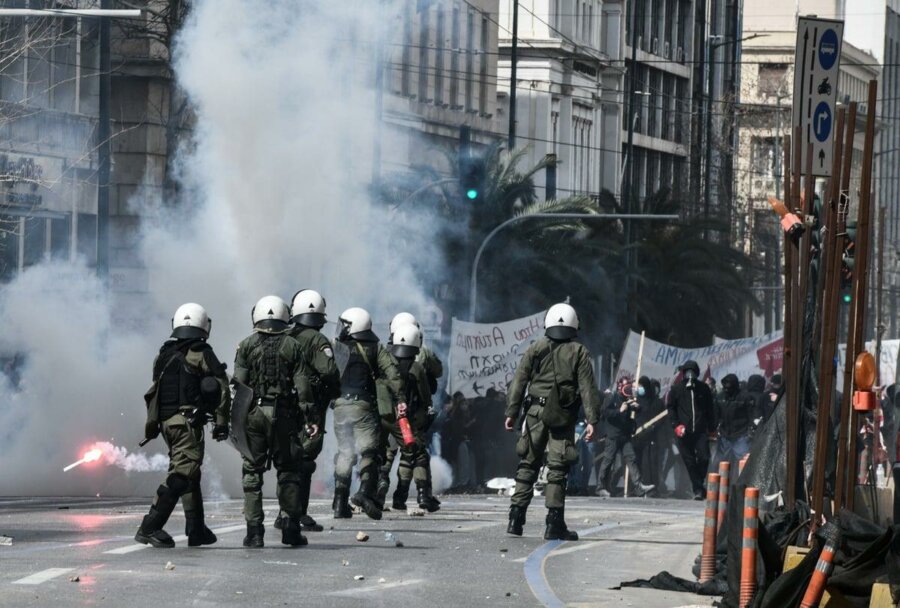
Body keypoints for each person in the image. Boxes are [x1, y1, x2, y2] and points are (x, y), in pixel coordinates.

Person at [135, 303, 231, 548]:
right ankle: (150, 527)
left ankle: (196, 528)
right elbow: (220, 386)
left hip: (166, 422)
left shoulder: (163, 354)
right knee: (182, 474)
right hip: (186, 421)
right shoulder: (200, 351)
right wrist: (221, 422)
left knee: (191, 473)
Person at [504, 303, 600, 541]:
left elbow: (519, 381)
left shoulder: (535, 348)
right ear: (574, 324)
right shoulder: (579, 352)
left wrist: (512, 412)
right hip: (561, 417)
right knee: (557, 469)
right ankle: (553, 524)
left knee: (527, 464)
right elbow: (587, 388)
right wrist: (592, 419)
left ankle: (515, 520)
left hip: (534, 414)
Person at [234, 295, 312, 548]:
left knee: (252, 473)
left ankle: (254, 532)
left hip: (255, 415)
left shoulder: (245, 346)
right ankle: (290, 528)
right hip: (284, 417)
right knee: (289, 471)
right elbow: (303, 387)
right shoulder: (293, 346)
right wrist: (309, 417)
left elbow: (239, 387)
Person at [273, 289, 341, 533]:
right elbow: (329, 372)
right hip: (309, 409)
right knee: (305, 460)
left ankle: (285, 512)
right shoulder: (318, 340)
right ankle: (296, 513)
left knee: (290, 460)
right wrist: (334, 392)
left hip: (283, 407)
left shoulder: (283, 335)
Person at [332, 307, 405, 520]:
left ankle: (339, 502)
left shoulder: (337, 347)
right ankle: (364, 492)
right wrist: (400, 399)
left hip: (340, 406)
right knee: (369, 452)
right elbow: (392, 373)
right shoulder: (375, 348)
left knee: (345, 452)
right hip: (363, 406)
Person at [376, 313, 443, 509]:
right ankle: (409, 495)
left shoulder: (382, 355)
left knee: (386, 453)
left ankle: (379, 487)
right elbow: (428, 389)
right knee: (414, 453)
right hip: (410, 417)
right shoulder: (418, 361)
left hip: (386, 414)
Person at [594, 377, 655, 498]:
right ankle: (600, 487)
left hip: (625, 435)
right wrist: (619, 410)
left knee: (631, 459)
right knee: (608, 460)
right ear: (619, 387)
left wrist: (636, 407)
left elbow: (637, 410)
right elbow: (604, 412)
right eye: (625, 387)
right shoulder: (612, 397)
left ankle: (638, 486)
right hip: (613, 436)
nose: (628, 389)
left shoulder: (628, 399)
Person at [666, 360, 715, 499]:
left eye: (692, 371)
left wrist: (712, 427)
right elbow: (671, 409)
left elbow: (710, 409)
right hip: (683, 432)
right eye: (687, 371)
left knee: (704, 457)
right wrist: (676, 425)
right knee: (690, 461)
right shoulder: (676, 389)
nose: (690, 374)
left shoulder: (703, 389)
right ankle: (698, 490)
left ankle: (699, 482)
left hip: (700, 431)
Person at [714, 374, 754, 462]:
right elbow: (715, 415)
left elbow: (751, 415)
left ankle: (744, 476)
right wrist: (715, 427)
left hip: (741, 435)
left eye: (729, 387)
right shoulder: (719, 397)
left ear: (735, 386)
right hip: (724, 435)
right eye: (725, 387)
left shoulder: (745, 397)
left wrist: (750, 429)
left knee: (744, 461)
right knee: (720, 461)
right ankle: (721, 475)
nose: (727, 389)